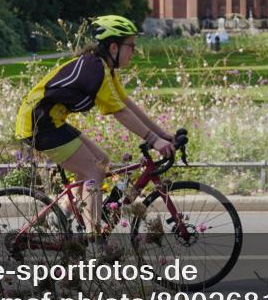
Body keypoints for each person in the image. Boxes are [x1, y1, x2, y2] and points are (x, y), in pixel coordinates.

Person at [14, 15, 174, 233]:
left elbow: (127, 104)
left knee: (101, 161)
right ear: (114, 47)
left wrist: (163, 134)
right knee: (93, 172)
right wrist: (154, 140)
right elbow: (121, 113)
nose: (134, 52)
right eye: (131, 46)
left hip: (50, 120)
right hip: (39, 123)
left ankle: (64, 212)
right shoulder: (96, 70)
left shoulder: (105, 69)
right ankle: (93, 241)